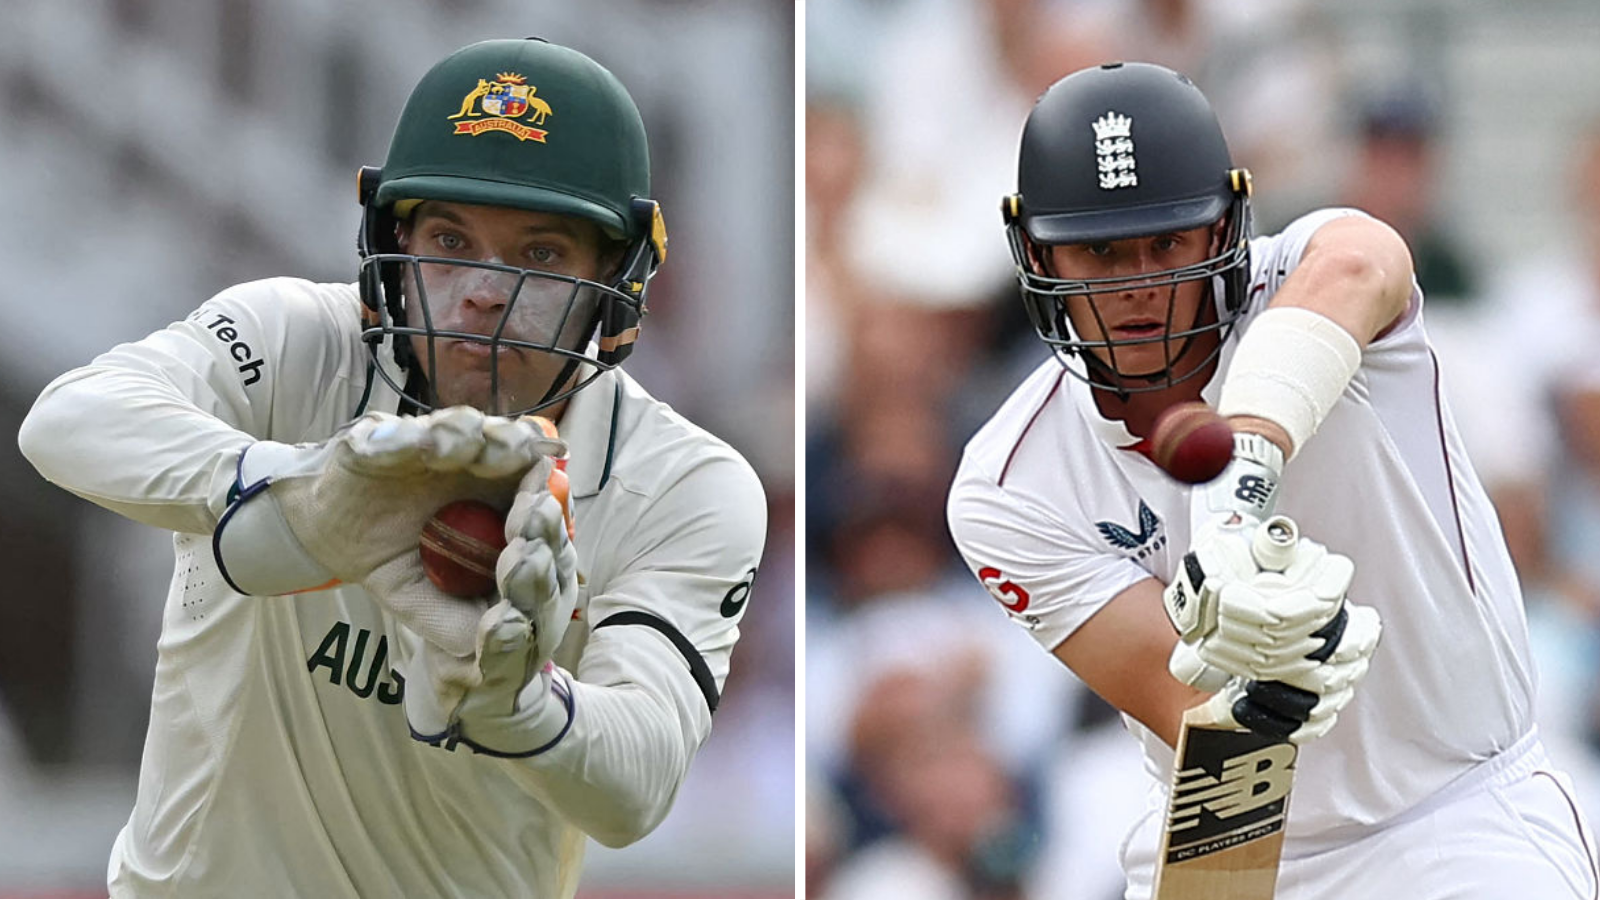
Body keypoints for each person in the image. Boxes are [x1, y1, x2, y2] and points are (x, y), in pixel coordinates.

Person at [18, 37, 766, 899]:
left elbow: (635, 789)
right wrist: (306, 495)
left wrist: (515, 703)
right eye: (450, 238)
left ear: (615, 280)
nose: (485, 291)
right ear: (392, 240)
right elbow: (67, 420)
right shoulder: (292, 343)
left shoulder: (686, 485)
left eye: (542, 254)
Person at [946, 61, 1598, 899]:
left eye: (1167, 241)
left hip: (1461, 814)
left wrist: (1243, 473)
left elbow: (1368, 262)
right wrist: (1266, 682)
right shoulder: (1005, 487)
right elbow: (1182, 711)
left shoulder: (1311, 270)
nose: (1139, 285)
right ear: (1038, 254)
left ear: (1225, 232)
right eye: (1101, 252)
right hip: (1238, 822)